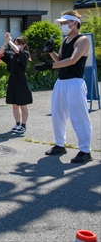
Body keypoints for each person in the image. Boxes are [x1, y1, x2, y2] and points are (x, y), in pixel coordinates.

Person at [35, 10, 93, 163]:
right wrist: (51, 51)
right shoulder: (66, 40)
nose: (62, 25)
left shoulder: (83, 40)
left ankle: (85, 150)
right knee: (58, 115)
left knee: (79, 116)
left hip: (75, 82)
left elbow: (73, 60)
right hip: (61, 82)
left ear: (75, 23)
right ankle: (60, 144)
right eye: (62, 23)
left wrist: (49, 65)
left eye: (65, 23)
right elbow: (61, 59)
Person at [0, 33, 33, 134]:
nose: (16, 46)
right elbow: (0, 53)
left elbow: (18, 50)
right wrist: (6, 42)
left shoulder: (24, 54)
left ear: (23, 45)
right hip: (12, 79)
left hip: (21, 80)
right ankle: (17, 123)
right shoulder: (11, 55)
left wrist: (10, 41)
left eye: (19, 44)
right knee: (15, 104)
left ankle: (23, 125)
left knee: (23, 104)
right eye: (15, 44)